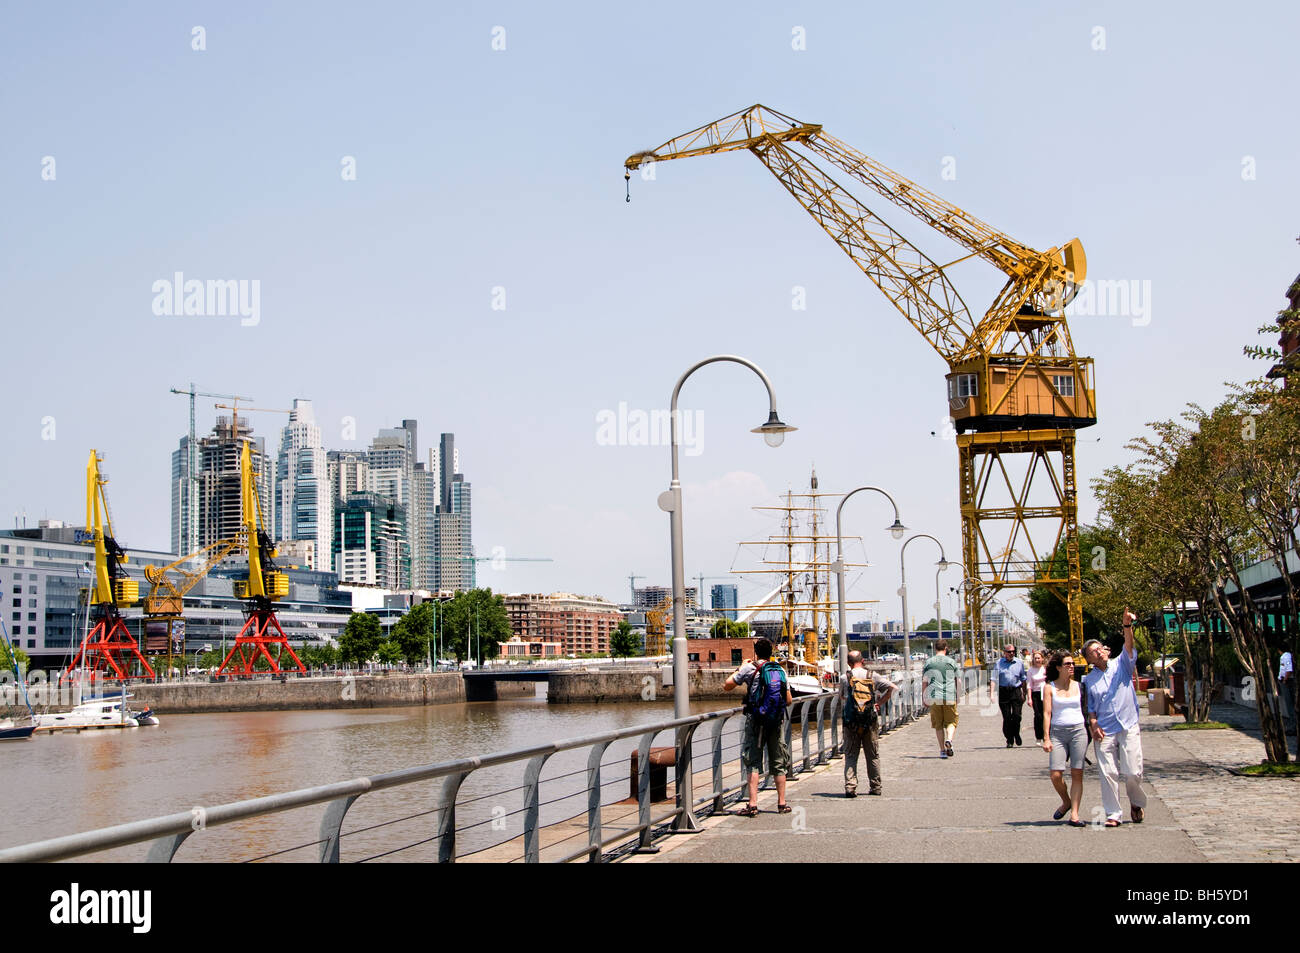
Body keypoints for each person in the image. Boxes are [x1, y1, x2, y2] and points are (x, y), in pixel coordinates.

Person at [1082, 608, 1148, 827]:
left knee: (1132, 771)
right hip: (1105, 728)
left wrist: (1127, 626)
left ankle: (1136, 802)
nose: (1099, 652)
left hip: (1128, 724)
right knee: (1108, 772)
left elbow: (1129, 645)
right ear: (1089, 659)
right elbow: (1091, 706)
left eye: (1100, 648)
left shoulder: (1122, 664)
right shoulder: (1089, 680)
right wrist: (1093, 723)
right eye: (1093, 651)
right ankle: (1113, 814)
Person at [724, 637, 793, 816]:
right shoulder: (780, 670)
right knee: (778, 762)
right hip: (776, 721)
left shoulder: (749, 667)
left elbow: (727, 686)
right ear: (771, 653)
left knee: (753, 761)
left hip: (755, 721)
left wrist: (740, 667)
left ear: (756, 652)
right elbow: (788, 700)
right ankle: (782, 804)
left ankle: (753, 805)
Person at [840, 650, 895, 796]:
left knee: (851, 755)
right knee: (872, 755)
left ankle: (850, 786)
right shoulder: (872, 676)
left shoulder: (845, 678)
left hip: (851, 722)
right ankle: (876, 787)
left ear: (849, 662)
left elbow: (843, 697)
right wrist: (880, 702)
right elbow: (892, 687)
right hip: (870, 721)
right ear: (862, 660)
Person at [1042, 650, 1087, 826]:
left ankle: (1074, 814)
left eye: (1073, 664)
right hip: (1058, 732)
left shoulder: (1079, 686)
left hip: (1078, 731)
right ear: (1059, 667)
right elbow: (1047, 713)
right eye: (1067, 664)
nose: (1071, 667)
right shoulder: (1049, 687)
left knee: (1077, 773)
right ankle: (1066, 801)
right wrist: (1046, 738)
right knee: (1055, 774)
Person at [921, 639, 961, 758]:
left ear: (935, 648)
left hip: (934, 696)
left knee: (938, 725)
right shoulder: (951, 662)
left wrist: (924, 697)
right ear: (946, 648)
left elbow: (924, 682)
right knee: (952, 721)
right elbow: (958, 681)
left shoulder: (929, 663)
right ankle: (949, 739)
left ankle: (942, 751)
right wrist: (958, 696)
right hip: (949, 695)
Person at [991, 643, 1028, 747]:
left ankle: (1016, 733)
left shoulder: (1019, 662)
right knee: (1007, 718)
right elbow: (993, 678)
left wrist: (1024, 693)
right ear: (1004, 653)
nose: (1011, 653)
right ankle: (1009, 739)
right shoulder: (999, 663)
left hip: (1016, 691)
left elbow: (1023, 679)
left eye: (1013, 652)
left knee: (1016, 716)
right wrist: (992, 694)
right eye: (1009, 652)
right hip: (1003, 692)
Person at [1027, 650, 1048, 746]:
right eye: (1035, 658)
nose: (1037, 660)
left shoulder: (1045, 669)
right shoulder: (1031, 670)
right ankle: (1038, 737)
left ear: (1042, 659)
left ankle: (1046, 736)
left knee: (1046, 715)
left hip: (1046, 693)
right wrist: (1029, 698)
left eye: (1039, 658)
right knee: (1038, 716)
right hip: (1036, 694)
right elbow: (1029, 685)